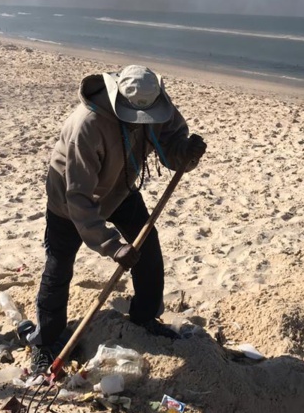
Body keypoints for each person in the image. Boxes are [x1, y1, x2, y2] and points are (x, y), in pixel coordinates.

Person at [28, 65, 206, 373]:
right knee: (59, 265)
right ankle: (46, 341)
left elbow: (172, 142)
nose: (144, 122)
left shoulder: (155, 103)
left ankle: (144, 316)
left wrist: (187, 153)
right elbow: (79, 198)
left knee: (147, 247)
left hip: (121, 187)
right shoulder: (87, 125)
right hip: (69, 198)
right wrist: (112, 246)